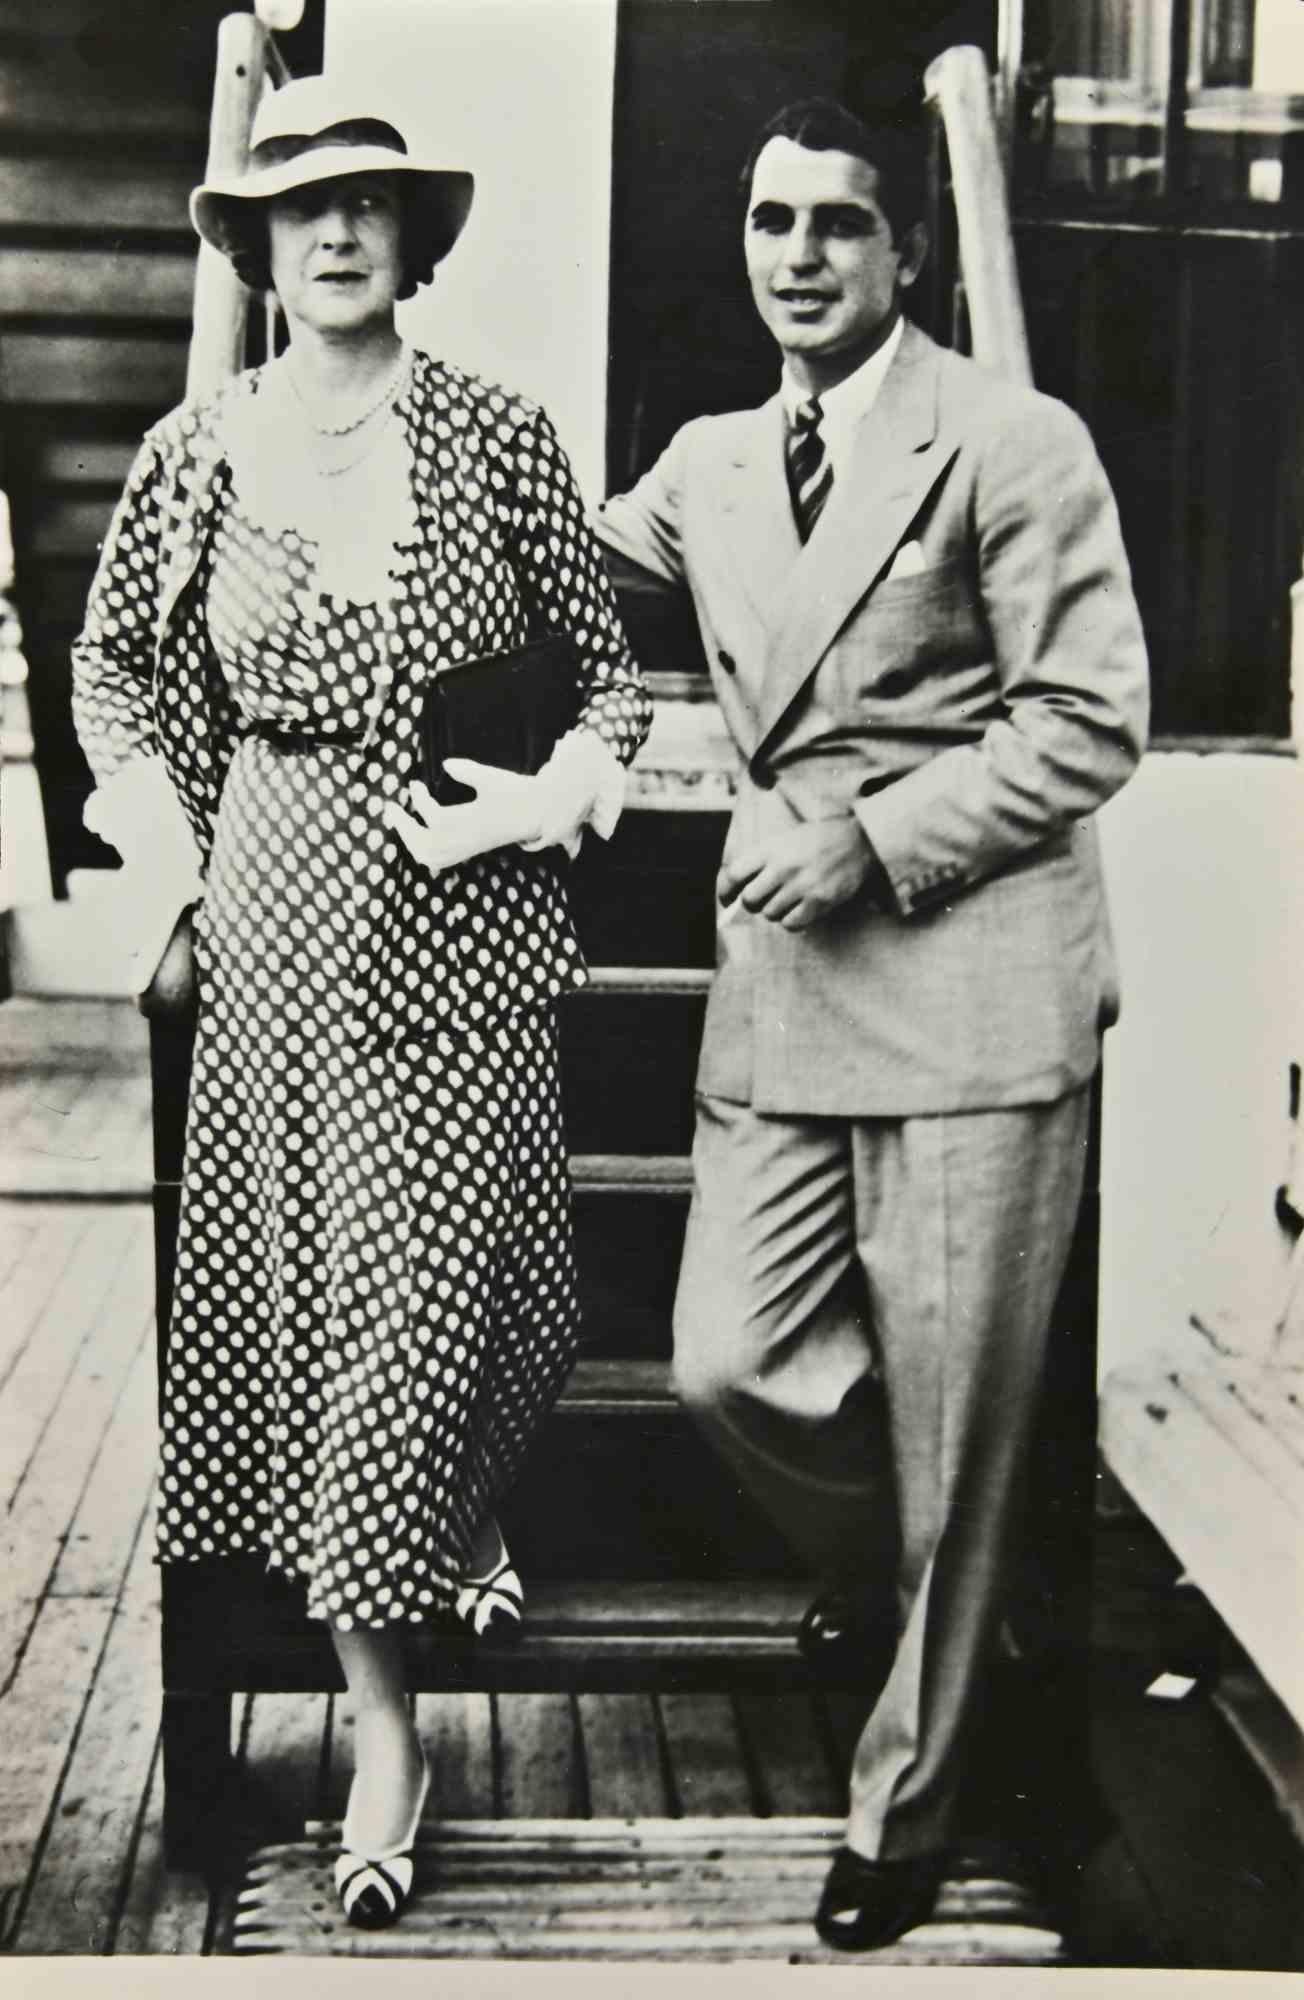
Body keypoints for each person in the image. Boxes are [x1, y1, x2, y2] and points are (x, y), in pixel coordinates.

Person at [72, 74, 649, 1930]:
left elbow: (611, 689)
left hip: (460, 912)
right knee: (331, 1323)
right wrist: (169, 873)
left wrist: (546, 799)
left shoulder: (495, 436)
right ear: (252, 244)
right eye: (298, 211)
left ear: (413, 238)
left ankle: (464, 1523)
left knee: (465, 1296)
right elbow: (109, 683)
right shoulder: (196, 451)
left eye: (370, 206)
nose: (335, 234)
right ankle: (387, 1729)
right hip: (274, 913)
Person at [594, 95, 1148, 1951]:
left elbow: (1089, 720)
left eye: (839, 223)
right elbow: (544, 572)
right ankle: (943, 1609)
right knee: (730, 1368)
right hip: (788, 999)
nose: (799, 256)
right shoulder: (708, 464)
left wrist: (873, 839)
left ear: (907, 252)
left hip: (972, 980)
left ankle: (903, 1809)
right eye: (771, 222)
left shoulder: (1011, 437)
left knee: (970, 1436)